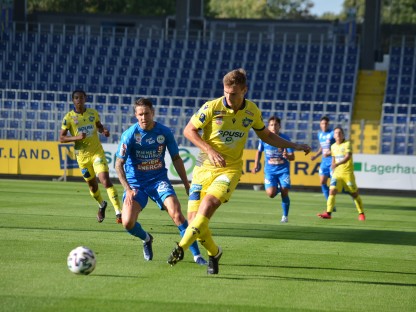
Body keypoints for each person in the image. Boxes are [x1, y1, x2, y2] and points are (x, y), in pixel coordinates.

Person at [167, 68, 311, 274]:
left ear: (244, 90)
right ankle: (215, 254)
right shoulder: (211, 107)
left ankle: (180, 248)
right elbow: (188, 130)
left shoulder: (252, 111)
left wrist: (294, 145)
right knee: (194, 224)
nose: (228, 96)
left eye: (233, 93)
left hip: (229, 169)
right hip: (203, 169)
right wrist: (209, 149)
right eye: (225, 92)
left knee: (207, 206)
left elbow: (267, 136)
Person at [114, 98, 207, 265]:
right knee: (127, 223)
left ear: (153, 113)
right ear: (136, 115)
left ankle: (197, 255)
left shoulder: (164, 132)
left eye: (146, 113)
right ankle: (146, 238)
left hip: (158, 181)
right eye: (140, 114)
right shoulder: (129, 135)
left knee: (177, 214)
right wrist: (127, 189)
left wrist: (187, 184)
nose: (144, 117)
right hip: (136, 184)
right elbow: (118, 164)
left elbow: (177, 158)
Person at [59, 90, 122, 224]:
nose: (79, 100)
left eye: (81, 98)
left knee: (105, 181)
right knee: (93, 187)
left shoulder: (93, 113)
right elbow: (61, 138)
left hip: (96, 153)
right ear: (73, 100)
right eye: (76, 98)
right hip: (82, 157)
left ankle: (118, 212)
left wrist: (103, 131)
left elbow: (99, 126)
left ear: (85, 99)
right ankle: (101, 204)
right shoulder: (68, 118)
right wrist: (77, 137)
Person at [251, 116, 294, 223]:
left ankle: (285, 216)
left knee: (285, 192)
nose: (273, 126)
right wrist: (256, 164)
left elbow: (292, 157)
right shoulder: (264, 138)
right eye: (271, 125)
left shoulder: (285, 139)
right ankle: (278, 188)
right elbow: (259, 152)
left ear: (279, 126)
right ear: (268, 127)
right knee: (271, 194)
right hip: (270, 171)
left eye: (276, 124)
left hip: (283, 170)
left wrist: (287, 156)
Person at [317, 127, 365, 221]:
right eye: (336, 133)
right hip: (337, 174)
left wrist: (337, 164)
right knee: (332, 191)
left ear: (343, 135)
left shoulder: (347, 144)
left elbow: (347, 157)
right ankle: (328, 213)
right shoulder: (333, 146)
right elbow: (334, 159)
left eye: (339, 133)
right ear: (334, 136)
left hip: (347, 173)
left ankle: (361, 213)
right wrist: (333, 167)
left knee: (354, 194)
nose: (338, 134)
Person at [310, 116, 335, 208]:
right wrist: (316, 156)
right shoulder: (320, 134)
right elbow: (322, 147)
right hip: (324, 162)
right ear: (320, 125)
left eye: (326, 123)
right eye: (322, 123)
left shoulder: (332, 134)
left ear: (328, 124)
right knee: (322, 182)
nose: (324, 125)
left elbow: (338, 146)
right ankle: (330, 203)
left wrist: (330, 152)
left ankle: (331, 202)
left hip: (333, 161)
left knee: (334, 185)